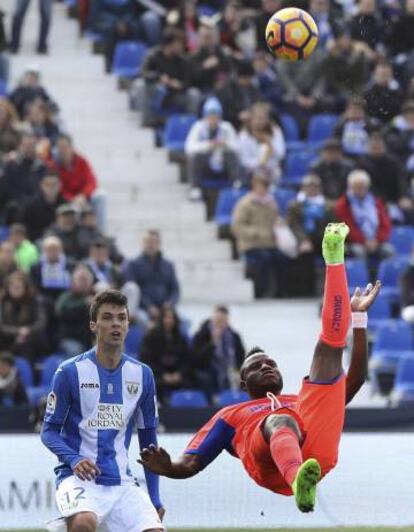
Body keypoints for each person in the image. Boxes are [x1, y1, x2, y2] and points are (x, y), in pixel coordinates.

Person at [139, 223, 382, 514]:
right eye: (257, 366)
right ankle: (298, 485)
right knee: (279, 419)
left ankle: (334, 260)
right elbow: (191, 463)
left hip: (316, 456)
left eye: (271, 363)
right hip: (267, 464)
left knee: (327, 352)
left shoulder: (299, 402)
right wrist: (168, 468)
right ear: (243, 384)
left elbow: (355, 381)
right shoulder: (230, 415)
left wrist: (358, 321)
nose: (267, 366)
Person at [41, 289, 165, 531]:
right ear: (93, 325)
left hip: (122, 482)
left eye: (121, 317)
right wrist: (74, 459)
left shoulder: (142, 374)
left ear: (129, 325)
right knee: (84, 523)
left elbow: (149, 440)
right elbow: (49, 432)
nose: (115, 323)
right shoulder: (69, 372)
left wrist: (155, 496)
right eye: (107, 317)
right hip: (78, 479)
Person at [231, 170, 288, 298]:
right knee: (263, 259)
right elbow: (237, 226)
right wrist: (257, 233)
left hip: (271, 243)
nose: (263, 189)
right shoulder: (245, 204)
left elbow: (276, 220)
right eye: (261, 185)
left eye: (265, 186)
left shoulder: (271, 204)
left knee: (282, 258)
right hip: (251, 243)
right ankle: (261, 291)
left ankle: (280, 291)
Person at [185, 97, 239, 201]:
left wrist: (225, 145)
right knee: (195, 157)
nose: (213, 119)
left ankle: (236, 184)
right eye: (210, 116)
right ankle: (195, 188)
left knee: (232, 155)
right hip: (206, 163)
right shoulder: (198, 127)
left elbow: (236, 147)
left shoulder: (227, 127)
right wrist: (208, 145)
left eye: (216, 116)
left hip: (222, 162)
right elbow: (189, 148)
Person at [335, 170, 394, 261]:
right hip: (353, 242)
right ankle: (362, 275)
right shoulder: (343, 204)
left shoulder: (376, 202)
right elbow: (348, 227)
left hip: (376, 241)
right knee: (359, 251)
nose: (360, 190)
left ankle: (384, 275)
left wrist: (377, 240)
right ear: (350, 187)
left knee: (389, 250)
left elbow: (385, 225)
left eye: (363, 187)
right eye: (357, 187)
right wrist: (364, 241)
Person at [123, 230, 180, 323]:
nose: (151, 245)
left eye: (154, 242)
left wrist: (170, 303)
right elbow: (135, 292)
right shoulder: (133, 264)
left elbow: (175, 290)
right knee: (144, 321)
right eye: (148, 242)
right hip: (142, 308)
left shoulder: (168, 265)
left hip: (165, 309)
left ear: (159, 244)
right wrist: (149, 307)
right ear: (142, 243)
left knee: (183, 322)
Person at [140, 305, 193, 404]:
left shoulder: (181, 338)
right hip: (158, 374)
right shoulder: (151, 337)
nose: (168, 321)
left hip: (177, 375)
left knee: (191, 382)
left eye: (171, 317)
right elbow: (146, 360)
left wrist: (179, 374)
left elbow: (187, 360)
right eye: (166, 317)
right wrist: (163, 375)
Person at [191, 305, 245, 399]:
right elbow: (196, 359)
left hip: (229, 369)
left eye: (223, 321)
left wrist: (238, 371)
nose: (220, 324)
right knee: (206, 376)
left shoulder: (234, 336)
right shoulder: (202, 335)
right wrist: (212, 344)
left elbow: (241, 357)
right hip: (208, 369)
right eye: (217, 320)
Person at [20, 171, 65, 242]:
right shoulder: (31, 205)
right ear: (41, 185)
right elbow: (25, 227)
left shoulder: (65, 204)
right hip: (36, 239)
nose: (51, 188)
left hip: (60, 240)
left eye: (54, 184)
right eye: (47, 184)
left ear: (60, 185)